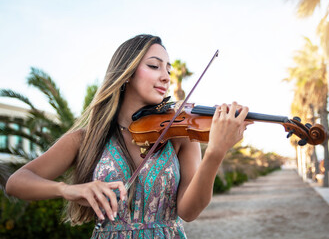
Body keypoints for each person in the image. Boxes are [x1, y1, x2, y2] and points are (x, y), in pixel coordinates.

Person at [5, 34, 252, 238]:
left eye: (168, 68)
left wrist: (216, 153)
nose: (166, 76)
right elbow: (16, 182)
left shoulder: (178, 136)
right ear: (127, 73)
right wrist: (68, 190)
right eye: (154, 66)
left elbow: (189, 211)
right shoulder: (86, 139)